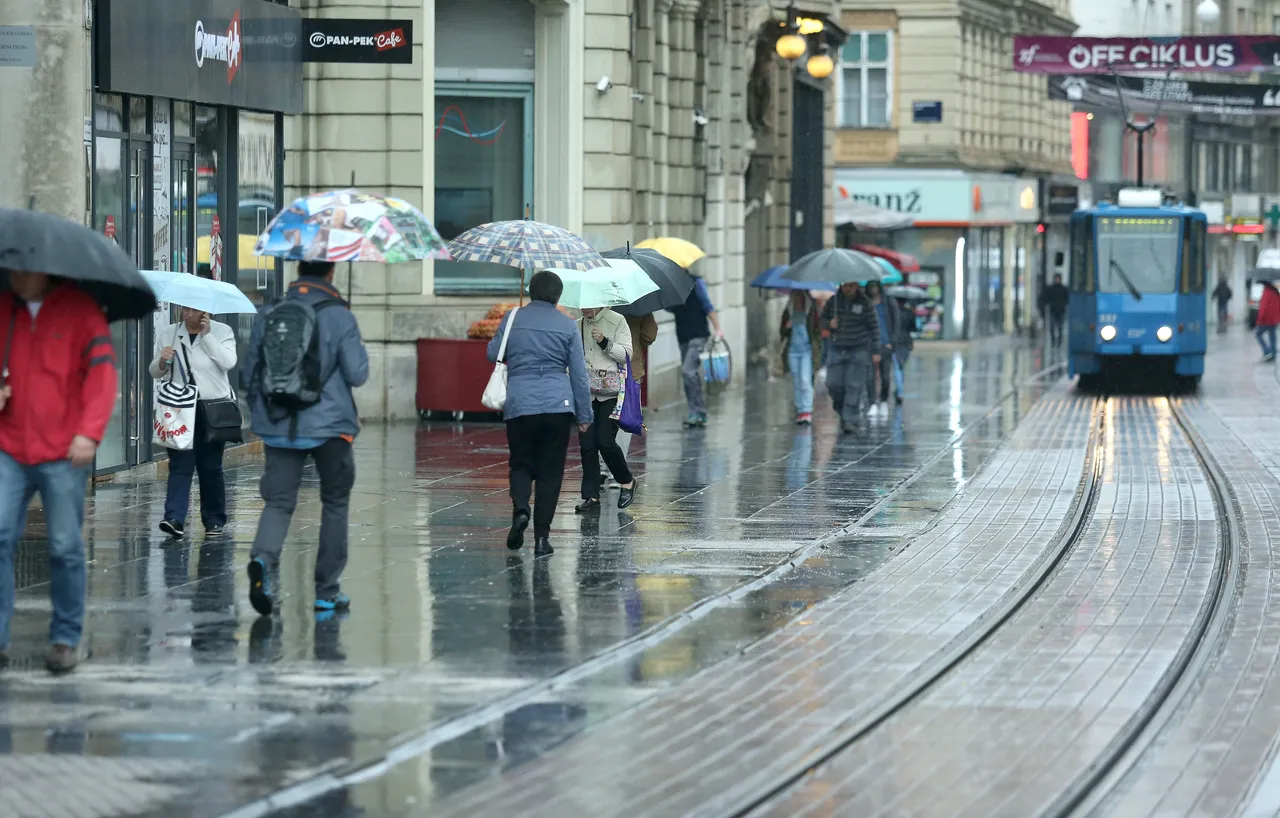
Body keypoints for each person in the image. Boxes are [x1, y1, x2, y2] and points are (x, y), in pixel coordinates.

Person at [0, 270, 117, 673]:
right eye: (11, 269)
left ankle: (65, 638)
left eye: (23, 270)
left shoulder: (81, 312)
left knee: (65, 546)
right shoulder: (4, 309)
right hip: (8, 446)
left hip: (64, 450)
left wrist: (89, 432)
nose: (16, 277)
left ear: (45, 270)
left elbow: (102, 378)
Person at [242, 260, 369, 617]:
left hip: (278, 423)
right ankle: (327, 592)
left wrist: (260, 416)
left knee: (279, 502)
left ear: (298, 271)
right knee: (335, 502)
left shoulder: (270, 312)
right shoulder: (340, 315)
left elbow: (248, 372)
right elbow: (358, 374)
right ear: (330, 273)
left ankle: (263, 560)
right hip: (331, 427)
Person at [488, 271, 593, 555]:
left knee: (520, 464)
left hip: (520, 403)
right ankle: (542, 539)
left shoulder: (512, 318)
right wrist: (584, 415)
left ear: (531, 292)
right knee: (550, 472)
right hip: (558, 406)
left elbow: (493, 353)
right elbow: (580, 376)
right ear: (558, 296)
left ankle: (521, 509)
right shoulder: (568, 325)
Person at [150, 306, 237, 538]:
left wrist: (207, 336)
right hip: (179, 409)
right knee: (180, 464)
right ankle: (174, 518)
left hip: (210, 408)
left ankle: (214, 520)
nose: (187, 314)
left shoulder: (222, 331)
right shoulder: (169, 333)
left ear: (206, 313)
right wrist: (161, 361)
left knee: (210, 466)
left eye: (193, 310)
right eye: (184, 309)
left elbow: (228, 362)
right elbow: (154, 372)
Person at [575, 306, 637, 512]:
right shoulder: (578, 325)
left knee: (604, 440)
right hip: (586, 392)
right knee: (587, 445)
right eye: (581, 305)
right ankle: (591, 496)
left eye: (588, 304)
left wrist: (604, 342)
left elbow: (627, 354)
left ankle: (626, 480)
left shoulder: (617, 320)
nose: (584, 309)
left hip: (611, 392)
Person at [821, 281, 881, 434]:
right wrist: (829, 323)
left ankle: (849, 419)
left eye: (852, 286)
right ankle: (842, 411)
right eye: (846, 286)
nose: (848, 289)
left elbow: (874, 328)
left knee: (853, 386)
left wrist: (875, 351)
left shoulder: (865, 304)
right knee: (833, 384)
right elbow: (821, 322)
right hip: (836, 348)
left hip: (858, 350)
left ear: (856, 286)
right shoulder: (833, 302)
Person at [667, 273, 723, 427]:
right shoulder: (671, 285)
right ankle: (695, 412)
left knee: (688, 371)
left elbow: (707, 306)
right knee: (689, 375)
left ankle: (699, 411)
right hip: (683, 336)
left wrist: (718, 328)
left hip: (698, 335)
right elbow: (670, 308)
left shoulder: (696, 282)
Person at [614, 312, 658, 472]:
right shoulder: (640, 307)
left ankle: (603, 467)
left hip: (603, 371)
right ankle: (617, 468)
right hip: (631, 369)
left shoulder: (601, 304)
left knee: (603, 417)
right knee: (625, 418)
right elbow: (649, 336)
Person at [779, 291, 821, 425]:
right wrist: (787, 327)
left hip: (806, 351)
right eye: (795, 297)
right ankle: (800, 409)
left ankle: (807, 410)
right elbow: (782, 332)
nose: (798, 300)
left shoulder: (811, 311)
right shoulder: (788, 312)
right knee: (796, 379)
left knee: (805, 379)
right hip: (792, 351)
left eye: (800, 297)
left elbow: (817, 330)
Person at [863, 280, 898, 417]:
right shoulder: (865, 303)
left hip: (885, 343)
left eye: (875, 286)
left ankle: (883, 401)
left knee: (885, 376)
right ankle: (872, 403)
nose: (873, 289)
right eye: (871, 287)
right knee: (869, 376)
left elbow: (896, 322)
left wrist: (892, 341)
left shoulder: (888, 302)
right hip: (869, 344)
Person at [890, 297, 915, 404]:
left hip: (895, 342)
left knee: (897, 367)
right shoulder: (909, 313)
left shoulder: (891, 313)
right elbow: (914, 328)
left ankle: (899, 391)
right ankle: (899, 390)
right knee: (901, 367)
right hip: (906, 342)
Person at [1041, 274, 1070, 347]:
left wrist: (1064, 305)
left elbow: (1067, 299)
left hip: (1061, 311)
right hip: (1053, 310)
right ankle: (1053, 342)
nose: (1057, 280)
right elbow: (1046, 297)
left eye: (1058, 279)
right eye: (1056, 278)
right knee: (1052, 328)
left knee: (1060, 328)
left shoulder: (1063, 289)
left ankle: (1059, 343)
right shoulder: (1051, 288)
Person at [1255, 280, 1279, 362]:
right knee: (1272, 337)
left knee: (1258, 334)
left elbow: (1263, 307)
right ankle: (1273, 354)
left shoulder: (1266, 292)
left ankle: (1267, 351)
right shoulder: (1275, 292)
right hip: (1274, 319)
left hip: (1266, 319)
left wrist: (1259, 319)